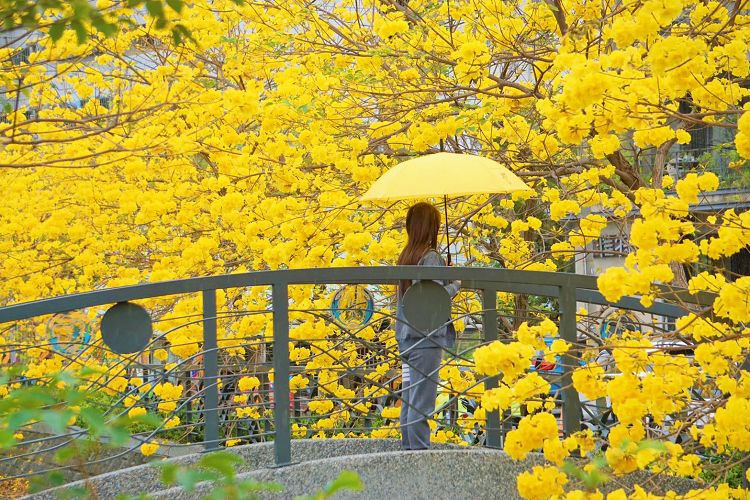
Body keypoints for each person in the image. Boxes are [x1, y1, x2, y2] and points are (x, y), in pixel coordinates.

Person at [395, 202, 460, 450]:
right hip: (426, 338)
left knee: (411, 398)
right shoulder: (430, 256)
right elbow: (433, 298)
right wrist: (454, 284)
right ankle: (420, 456)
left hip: (407, 337)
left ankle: (408, 451)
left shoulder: (407, 255)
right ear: (431, 227)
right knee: (422, 402)